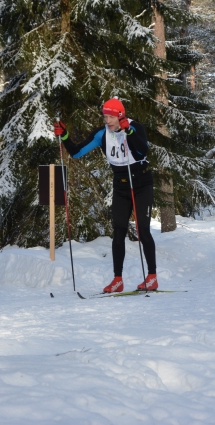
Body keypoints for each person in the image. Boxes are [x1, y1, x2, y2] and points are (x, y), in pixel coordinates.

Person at [54, 97, 158, 293]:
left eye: (111, 117)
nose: (108, 121)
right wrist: (65, 136)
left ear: (120, 116)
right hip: (121, 185)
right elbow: (76, 153)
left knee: (143, 229)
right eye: (105, 117)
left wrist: (129, 132)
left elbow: (143, 151)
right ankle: (117, 279)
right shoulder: (102, 134)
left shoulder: (136, 127)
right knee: (118, 231)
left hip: (142, 183)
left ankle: (152, 276)